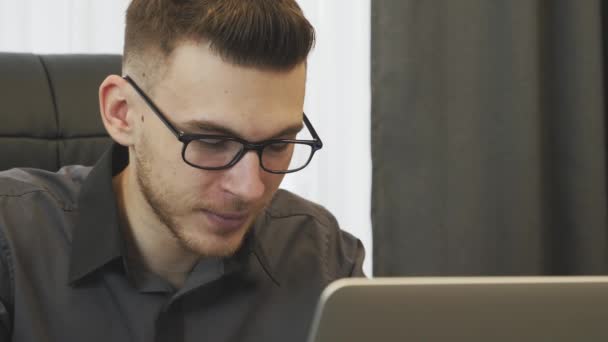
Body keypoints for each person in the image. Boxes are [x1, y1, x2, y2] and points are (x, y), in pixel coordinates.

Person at [0, 0, 365, 341]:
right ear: (121, 113)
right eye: (210, 141)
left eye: (277, 145)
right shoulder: (10, 242)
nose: (250, 189)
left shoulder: (326, 260)